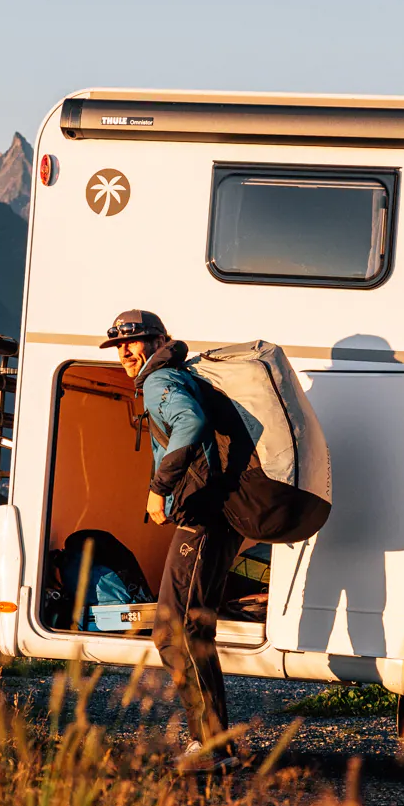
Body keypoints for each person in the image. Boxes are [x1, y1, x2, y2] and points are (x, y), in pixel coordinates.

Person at [101, 309, 240, 771]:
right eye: (119, 344)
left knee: (172, 631)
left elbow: (191, 423)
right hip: (216, 517)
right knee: (193, 629)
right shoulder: (174, 373)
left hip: (201, 520)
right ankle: (216, 744)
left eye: (135, 340)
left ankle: (211, 747)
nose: (125, 351)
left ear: (159, 340)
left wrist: (158, 488)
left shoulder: (160, 380)